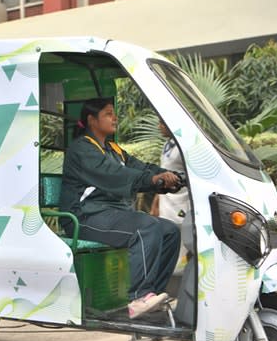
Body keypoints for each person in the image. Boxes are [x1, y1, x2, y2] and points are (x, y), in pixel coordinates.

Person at [59, 98, 181, 319]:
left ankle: (152, 295)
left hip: (110, 215)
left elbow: (141, 168)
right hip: (85, 216)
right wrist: (154, 180)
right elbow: (115, 175)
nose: (115, 118)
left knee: (170, 231)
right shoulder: (82, 149)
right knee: (146, 227)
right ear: (91, 120)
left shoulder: (113, 149)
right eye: (108, 114)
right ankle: (139, 297)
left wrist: (174, 178)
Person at [150, 119, 190, 272]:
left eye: (162, 123)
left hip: (181, 203)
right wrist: (156, 203)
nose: (159, 126)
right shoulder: (167, 145)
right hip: (166, 202)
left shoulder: (184, 146)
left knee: (181, 240)